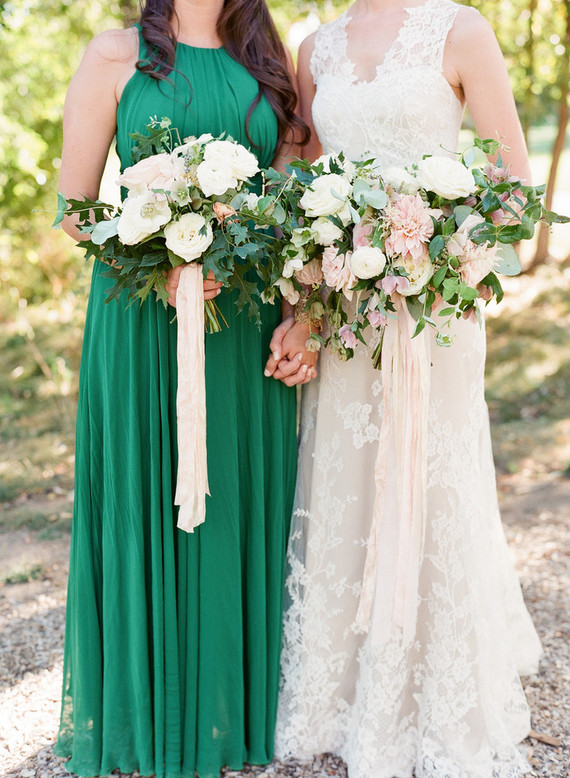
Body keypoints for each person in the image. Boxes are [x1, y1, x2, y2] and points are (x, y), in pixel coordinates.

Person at [266, 1, 544, 775]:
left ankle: (436, 688)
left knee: (433, 476)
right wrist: (302, 306)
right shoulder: (315, 45)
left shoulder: (461, 31)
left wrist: (446, 262)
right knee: (345, 474)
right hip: (343, 309)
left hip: (433, 310)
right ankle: (339, 687)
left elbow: (514, 183)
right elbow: (298, 177)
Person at [54, 1, 310, 775]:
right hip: (141, 318)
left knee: (232, 501)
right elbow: (75, 211)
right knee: (145, 496)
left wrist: (301, 314)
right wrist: (156, 253)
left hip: (243, 322)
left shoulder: (274, 63)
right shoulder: (113, 55)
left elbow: (293, 207)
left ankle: (232, 714)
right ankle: (144, 715)